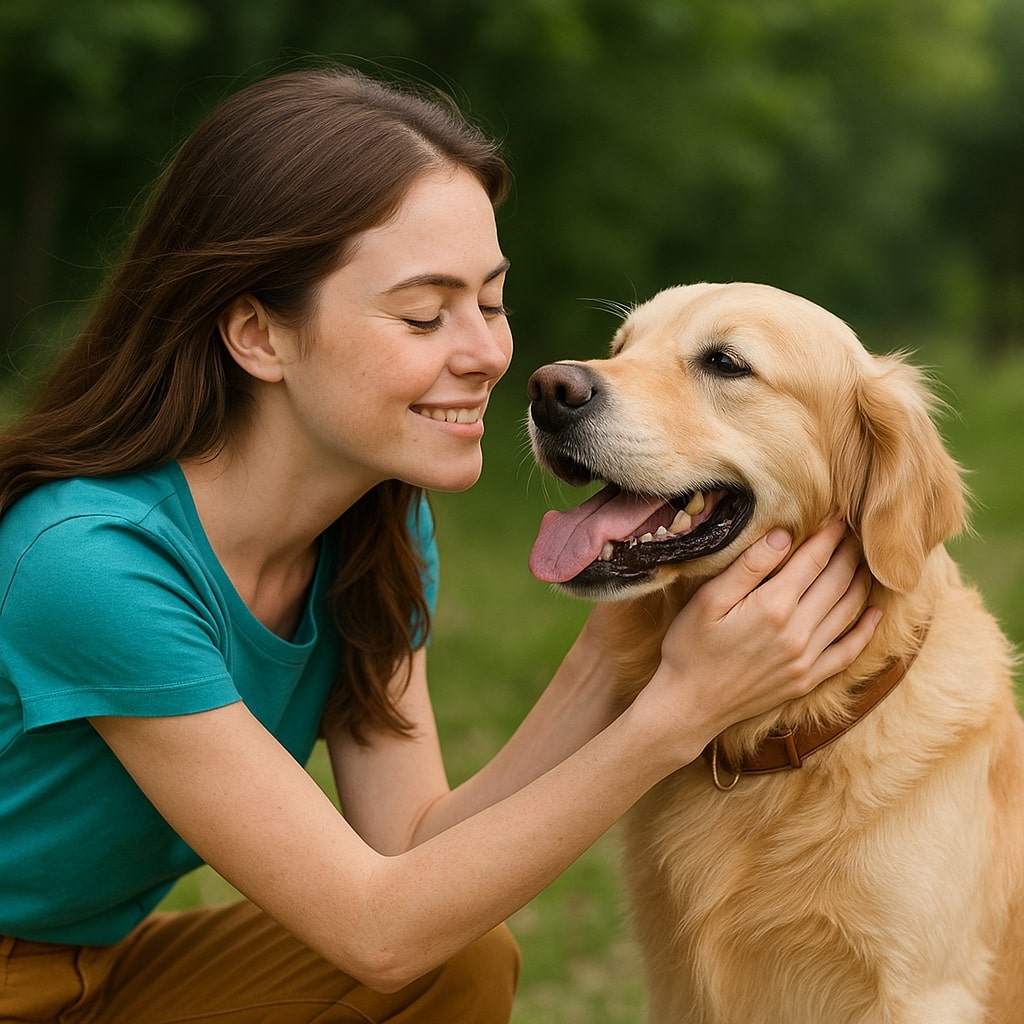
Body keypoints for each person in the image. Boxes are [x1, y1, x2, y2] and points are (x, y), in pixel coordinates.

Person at [0, 66, 879, 1023]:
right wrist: (676, 713)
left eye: (491, 303)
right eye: (424, 314)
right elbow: (377, 929)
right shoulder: (90, 563)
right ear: (257, 333)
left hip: (99, 969)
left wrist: (622, 638)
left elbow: (417, 847)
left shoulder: (374, 520)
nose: (489, 354)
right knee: (414, 949)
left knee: (454, 962)